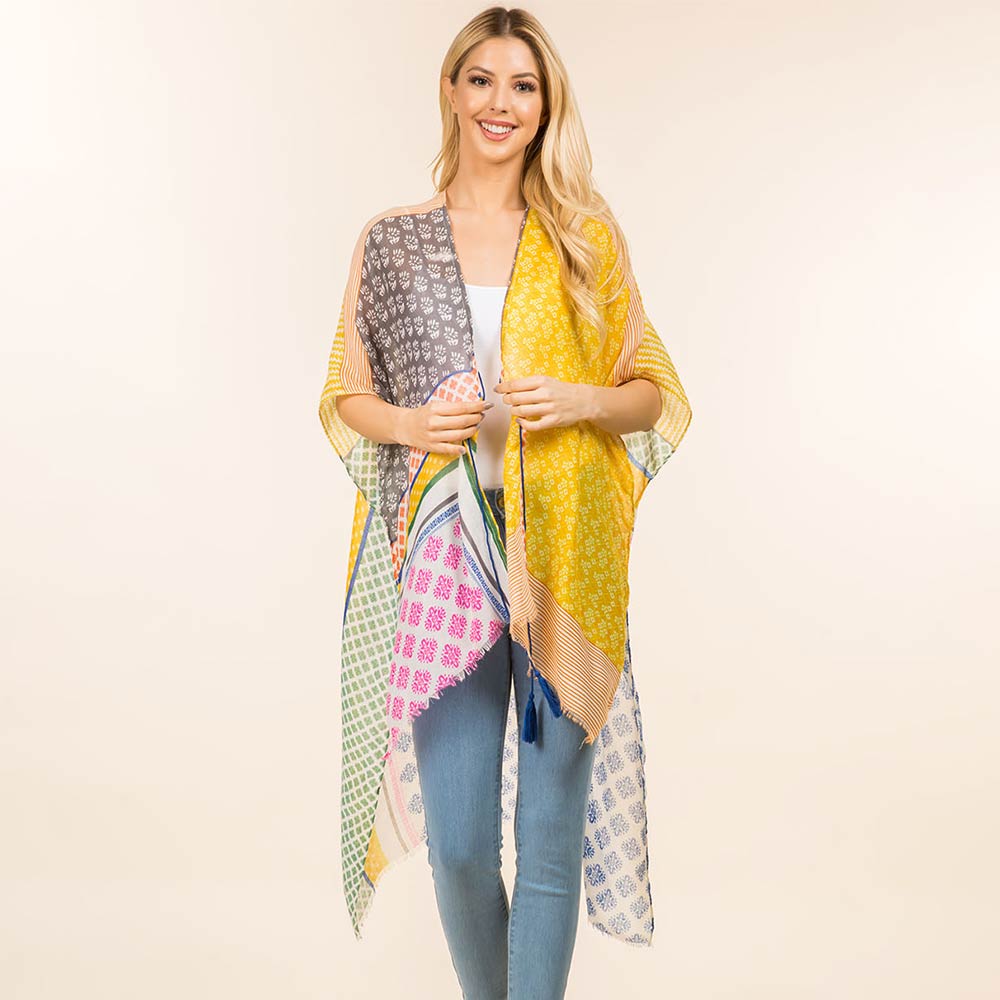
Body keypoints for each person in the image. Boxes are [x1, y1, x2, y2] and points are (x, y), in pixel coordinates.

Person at [319, 7, 692, 999]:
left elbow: (652, 393)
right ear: (450, 90)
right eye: (481, 80)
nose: (501, 103)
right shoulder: (394, 244)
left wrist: (581, 400)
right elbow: (346, 395)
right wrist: (412, 425)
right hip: (445, 557)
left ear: (545, 105)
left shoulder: (583, 240)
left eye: (523, 86)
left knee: (549, 843)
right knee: (457, 847)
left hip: (561, 563)